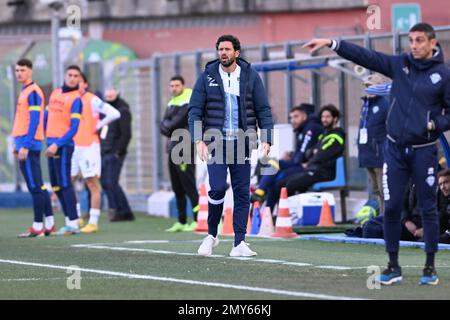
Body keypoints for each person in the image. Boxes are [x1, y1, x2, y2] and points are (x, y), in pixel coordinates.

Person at [303, 22, 450, 285]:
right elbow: (367, 57)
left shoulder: (443, 74)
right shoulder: (400, 65)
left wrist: (434, 124)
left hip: (424, 151)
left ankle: (430, 267)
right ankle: (393, 265)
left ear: (432, 43)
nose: (414, 46)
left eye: (419, 41)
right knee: (391, 207)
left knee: (429, 208)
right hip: (393, 151)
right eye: (411, 41)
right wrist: (333, 44)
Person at [189, 34, 273, 257]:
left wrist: (267, 139)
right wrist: (198, 140)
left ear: (237, 52)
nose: (223, 53)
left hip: (242, 143)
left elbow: (263, 109)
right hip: (216, 142)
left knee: (242, 193)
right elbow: (195, 110)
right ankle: (211, 236)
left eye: (227, 49)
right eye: (220, 49)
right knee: (216, 188)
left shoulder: (250, 76)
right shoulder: (207, 76)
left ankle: (239, 243)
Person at [70, 73, 120, 233]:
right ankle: (76, 217)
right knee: (68, 181)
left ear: (85, 84)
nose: (74, 82)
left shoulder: (92, 99)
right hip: (74, 146)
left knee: (91, 183)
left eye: (78, 80)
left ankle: (93, 221)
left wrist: (97, 125)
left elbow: (114, 113)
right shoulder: (70, 99)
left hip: (89, 147)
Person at [251, 103, 323, 211]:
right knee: (272, 173)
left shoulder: (311, 129)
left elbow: (303, 154)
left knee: (275, 164)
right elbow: (304, 150)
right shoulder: (304, 129)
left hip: (307, 167)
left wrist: (294, 157)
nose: (292, 120)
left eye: (296, 116)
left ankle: (260, 192)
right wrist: (291, 154)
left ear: (304, 116)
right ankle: (267, 210)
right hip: (300, 164)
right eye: (291, 117)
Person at [12, 59, 55, 238]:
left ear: (30, 71)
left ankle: (38, 226)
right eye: (17, 70)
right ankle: (50, 224)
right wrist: (17, 144)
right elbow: (23, 121)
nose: (19, 73)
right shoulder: (26, 91)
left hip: (29, 145)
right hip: (23, 143)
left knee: (35, 186)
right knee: (38, 185)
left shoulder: (33, 92)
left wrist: (26, 146)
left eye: (22, 70)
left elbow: (35, 120)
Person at [46, 65, 83, 235]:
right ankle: (69, 219)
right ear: (65, 75)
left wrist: (57, 144)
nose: (72, 78)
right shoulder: (55, 92)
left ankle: (73, 222)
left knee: (65, 182)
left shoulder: (77, 99)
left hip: (63, 146)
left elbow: (74, 128)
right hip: (50, 143)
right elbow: (47, 116)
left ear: (79, 79)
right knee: (55, 185)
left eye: (76, 75)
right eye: (70, 74)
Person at [160, 76, 199, 232]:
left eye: (177, 85)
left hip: (184, 147)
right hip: (171, 147)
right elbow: (163, 126)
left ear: (183, 85)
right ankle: (182, 221)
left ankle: (197, 220)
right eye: (171, 86)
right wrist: (168, 126)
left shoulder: (188, 98)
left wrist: (167, 126)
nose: (174, 88)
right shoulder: (171, 102)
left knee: (188, 184)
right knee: (177, 186)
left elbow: (175, 123)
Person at [357, 74, 390, 216]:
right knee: (376, 190)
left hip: (380, 155)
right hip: (367, 154)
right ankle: (381, 219)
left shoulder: (385, 104)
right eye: (366, 86)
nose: (368, 89)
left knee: (385, 190)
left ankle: (388, 220)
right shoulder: (366, 105)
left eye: (372, 86)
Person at [101, 88, 134, 222]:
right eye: (107, 96)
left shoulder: (123, 111)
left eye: (111, 96)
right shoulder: (105, 112)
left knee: (111, 182)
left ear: (117, 95)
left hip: (115, 152)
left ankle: (123, 211)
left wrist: (118, 151)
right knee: (106, 182)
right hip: (105, 151)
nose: (108, 98)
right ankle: (118, 210)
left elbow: (126, 134)